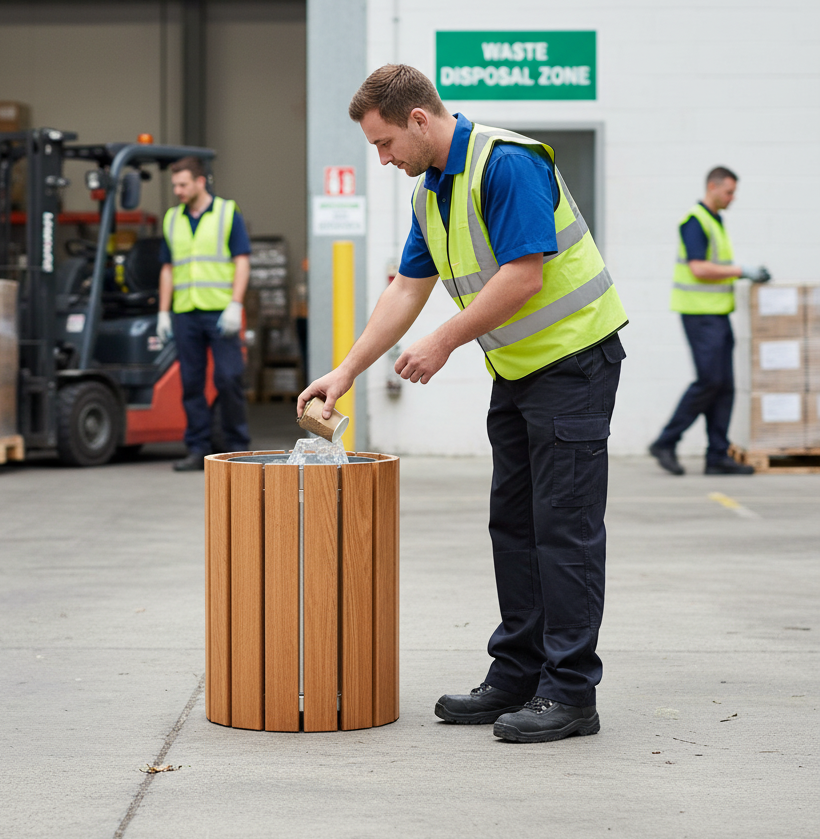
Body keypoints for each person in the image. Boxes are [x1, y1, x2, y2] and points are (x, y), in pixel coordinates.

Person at [298, 64, 628, 743]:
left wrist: (443, 342)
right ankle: (517, 673)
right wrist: (347, 370)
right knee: (513, 525)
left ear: (419, 119)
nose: (383, 159)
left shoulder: (505, 164)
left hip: (573, 364)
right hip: (519, 371)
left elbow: (525, 275)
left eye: (385, 143)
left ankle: (569, 693)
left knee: (562, 530)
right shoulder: (433, 194)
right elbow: (405, 289)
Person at [649, 167, 770, 476]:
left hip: (716, 313)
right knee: (710, 381)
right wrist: (742, 270)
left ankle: (717, 456)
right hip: (699, 314)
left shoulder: (716, 221)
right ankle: (666, 441)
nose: (733, 197)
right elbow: (699, 268)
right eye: (729, 191)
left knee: (726, 385)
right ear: (712, 187)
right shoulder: (695, 221)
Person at [157, 157, 251, 471]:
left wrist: (236, 303)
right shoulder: (172, 218)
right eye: (175, 185)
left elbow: (241, 260)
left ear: (201, 182)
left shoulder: (226, 212)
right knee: (191, 383)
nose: (178, 190)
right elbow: (168, 268)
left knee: (229, 378)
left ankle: (238, 447)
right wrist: (163, 312)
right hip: (186, 313)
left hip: (220, 310)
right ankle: (197, 449)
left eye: (182, 184)